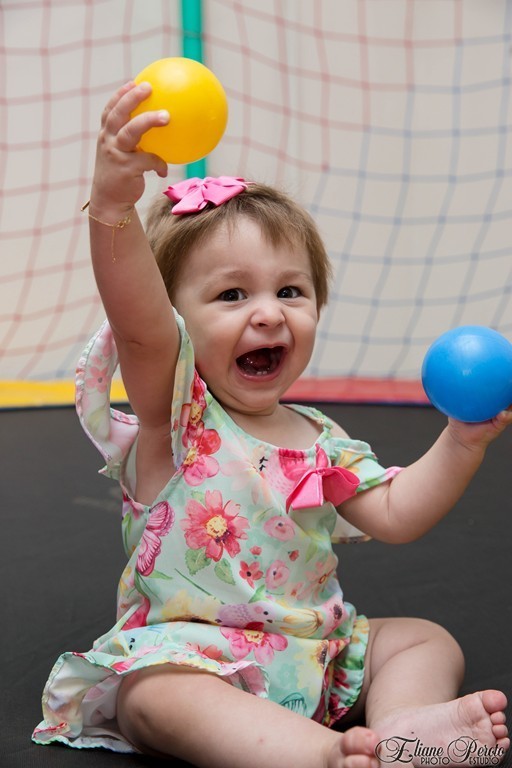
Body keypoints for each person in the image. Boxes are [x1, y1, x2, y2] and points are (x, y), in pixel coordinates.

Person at [33, 80, 510, 768]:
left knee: (423, 640)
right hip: (200, 661)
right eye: (232, 294)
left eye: (291, 290)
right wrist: (112, 205)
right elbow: (139, 330)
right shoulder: (178, 419)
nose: (268, 312)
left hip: (315, 654)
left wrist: (463, 440)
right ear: (180, 326)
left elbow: (399, 513)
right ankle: (327, 755)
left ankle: (403, 739)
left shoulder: (323, 441)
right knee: (150, 699)